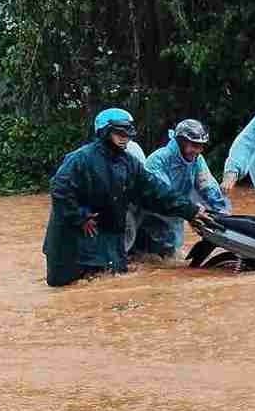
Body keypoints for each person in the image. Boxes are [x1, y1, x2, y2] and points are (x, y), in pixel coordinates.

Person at [43, 108, 211, 287]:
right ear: (104, 132)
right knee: (71, 290)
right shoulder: (81, 159)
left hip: (108, 239)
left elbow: (156, 191)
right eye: (119, 133)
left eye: (128, 133)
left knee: (112, 287)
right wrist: (80, 217)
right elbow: (60, 190)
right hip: (72, 242)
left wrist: (190, 210)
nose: (125, 138)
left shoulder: (129, 163)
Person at [131, 118, 229, 258]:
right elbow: (163, 195)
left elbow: (208, 186)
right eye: (194, 145)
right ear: (181, 142)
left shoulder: (197, 159)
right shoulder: (158, 160)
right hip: (152, 218)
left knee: (171, 256)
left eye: (201, 146)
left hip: (178, 215)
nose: (198, 150)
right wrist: (191, 212)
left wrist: (223, 214)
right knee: (151, 259)